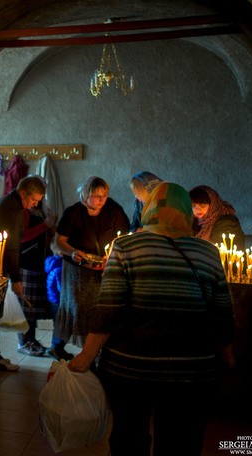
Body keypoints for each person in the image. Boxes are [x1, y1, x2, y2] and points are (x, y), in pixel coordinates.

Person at [68, 182, 235, 456]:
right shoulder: (208, 252)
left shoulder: (125, 247)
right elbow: (222, 312)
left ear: (149, 210)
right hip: (190, 372)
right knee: (180, 442)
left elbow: (110, 308)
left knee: (129, 439)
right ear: (186, 213)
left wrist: (87, 355)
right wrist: (227, 354)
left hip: (131, 369)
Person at [0, 176, 47, 371]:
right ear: (23, 193)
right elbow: (11, 247)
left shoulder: (5, 202)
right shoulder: (13, 211)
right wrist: (16, 278)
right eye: (34, 199)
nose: (35, 204)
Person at [52, 176, 129, 355]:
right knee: (77, 308)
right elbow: (59, 242)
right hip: (77, 270)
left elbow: (122, 237)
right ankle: (58, 346)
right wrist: (72, 252)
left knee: (99, 309)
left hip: (104, 268)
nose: (101, 200)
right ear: (86, 194)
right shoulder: (73, 213)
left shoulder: (114, 210)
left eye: (105, 195)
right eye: (96, 195)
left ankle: (94, 350)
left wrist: (112, 257)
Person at [17, 189, 57, 356]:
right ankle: (24, 342)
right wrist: (45, 226)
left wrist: (51, 229)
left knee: (34, 309)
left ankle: (31, 340)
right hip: (28, 264)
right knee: (26, 308)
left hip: (41, 263)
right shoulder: (24, 212)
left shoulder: (42, 211)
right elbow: (22, 237)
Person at [189, 185, 246, 249]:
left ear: (213, 204)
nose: (197, 210)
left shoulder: (227, 223)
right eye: (193, 206)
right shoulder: (196, 222)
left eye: (203, 206)